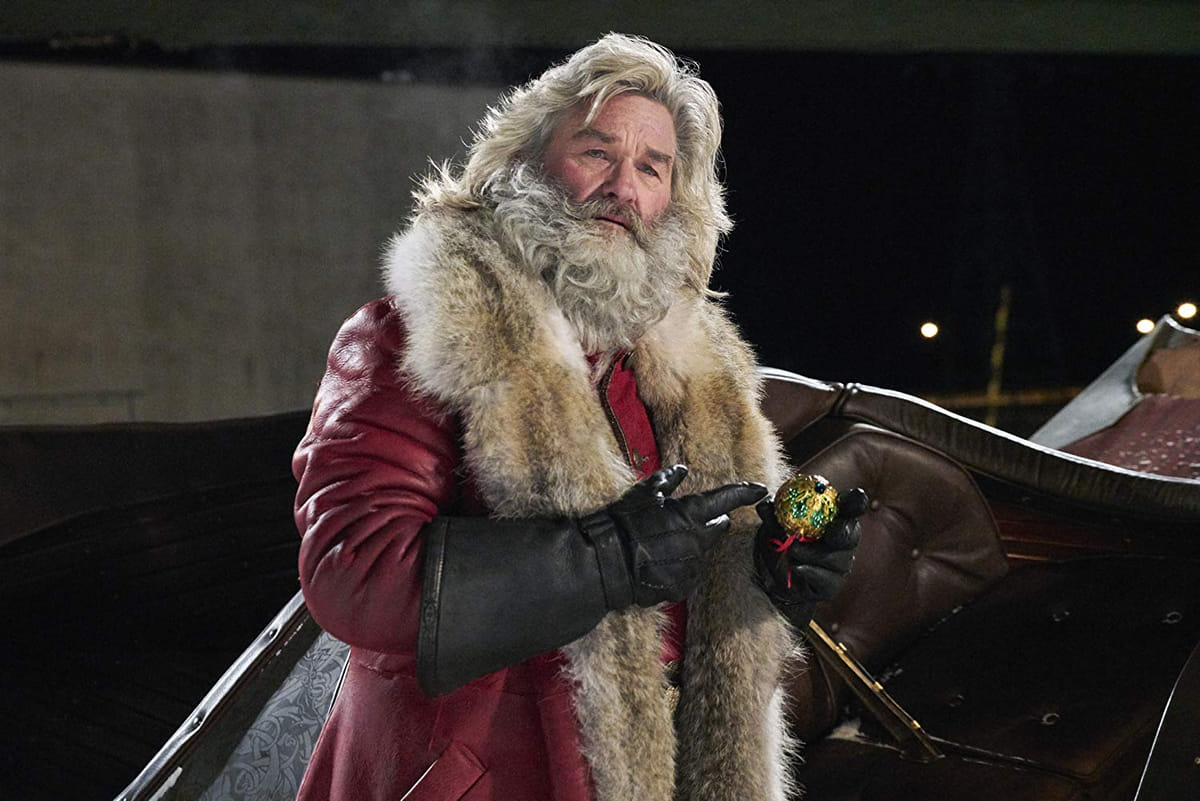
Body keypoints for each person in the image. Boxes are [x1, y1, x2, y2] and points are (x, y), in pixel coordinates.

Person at [292, 33, 864, 801]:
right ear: (525, 162)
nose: (623, 187)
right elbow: (352, 574)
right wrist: (599, 561)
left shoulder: (697, 373)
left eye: (652, 167)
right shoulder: (418, 332)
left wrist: (771, 577)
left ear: (674, 201)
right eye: (597, 152)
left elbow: (688, 599)